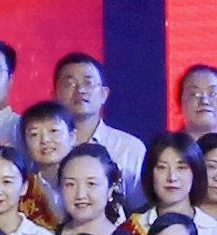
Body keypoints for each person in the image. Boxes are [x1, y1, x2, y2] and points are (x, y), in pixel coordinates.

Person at [51, 54, 149, 186]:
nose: (80, 90)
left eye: (88, 83)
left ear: (104, 94)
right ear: (54, 96)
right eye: (70, 84)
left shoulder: (129, 148)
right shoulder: (45, 148)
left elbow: (140, 198)